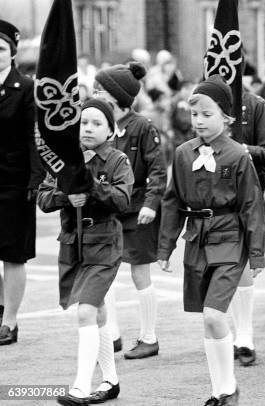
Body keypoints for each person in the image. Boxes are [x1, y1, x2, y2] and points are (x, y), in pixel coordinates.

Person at [158, 75, 265, 406]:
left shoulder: (237, 155)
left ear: (226, 117)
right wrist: (165, 247)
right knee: (207, 319)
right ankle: (220, 390)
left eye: (208, 114)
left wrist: (257, 254)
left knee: (214, 316)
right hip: (197, 242)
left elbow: (252, 205)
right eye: (195, 115)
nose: (200, 121)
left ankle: (228, 388)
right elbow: (173, 201)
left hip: (230, 240)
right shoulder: (182, 153)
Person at [38, 99, 133, 405]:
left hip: (105, 242)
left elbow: (122, 200)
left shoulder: (117, 160)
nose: (88, 128)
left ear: (110, 129)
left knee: (86, 311)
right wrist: (67, 196)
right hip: (73, 244)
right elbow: (43, 198)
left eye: (96, 123)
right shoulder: (64, 159)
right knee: (99, 309)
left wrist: (91, 187)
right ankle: (110, 381)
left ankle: (79, 387)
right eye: (83, 122)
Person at [94, 61, 167, 358]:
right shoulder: (100, 126)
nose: (96, 94)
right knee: (105, 272)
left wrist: (151, 204)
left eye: (101, 90)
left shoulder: (142, 126)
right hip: (109, 207)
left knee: (140, 274)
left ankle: (149, 337)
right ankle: (112, 335)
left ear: (117, 97)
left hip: (138, 209)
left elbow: (158, 171)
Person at [0, 19, 45, 346]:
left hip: (14, 182)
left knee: (13, 254)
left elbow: (34, 138)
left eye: (0, 49)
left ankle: (10, 321)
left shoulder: (26, 88)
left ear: (12, 53)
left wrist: (35, 178)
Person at [228, 85, 265, 367]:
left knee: (244, 264)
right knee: (226, 266)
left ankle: (244, 336)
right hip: (216, 194)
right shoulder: (205, 98)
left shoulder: (255, 104)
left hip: (248, 190)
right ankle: (234, 333)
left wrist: (243, 150)